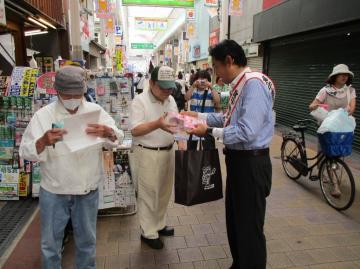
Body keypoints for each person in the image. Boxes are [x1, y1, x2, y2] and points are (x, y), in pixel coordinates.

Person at [19, 65, 124, 269]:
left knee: (87, 243)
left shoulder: (95, 111)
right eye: (68, 95)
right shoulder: (43, 116)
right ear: (58, 92)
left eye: (79, 94)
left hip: (87, 190)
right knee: (50, 245)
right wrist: (42, 141)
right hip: (54, 190)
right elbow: (25, 151)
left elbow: (117, 139)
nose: (74, 99)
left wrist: (108, 133)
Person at [183, 39, 274, 269]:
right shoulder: (240, 85)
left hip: (251, 165)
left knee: (249, 227)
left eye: (216, 67)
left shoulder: (253, 85)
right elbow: (228, 119)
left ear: (229, 61)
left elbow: (247, 131)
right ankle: (240, 263)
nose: (216, 74)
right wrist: (198, 117)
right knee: (236, 222)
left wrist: (210, 131)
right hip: (238, 163)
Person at [130, 66, 186, 250]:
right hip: (147, 152)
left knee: (164, 191)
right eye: (163, 88)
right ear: (152, 83)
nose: (167, 92)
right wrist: (157, 124)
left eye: (170, 88)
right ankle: (148, 232)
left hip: (168, 151)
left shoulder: (170, 100)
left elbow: (178, 124)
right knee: (148, 194)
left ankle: (159, 224)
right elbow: (135, 130)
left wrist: (182, 144)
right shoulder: (139, 101)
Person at [309, 64, 356, 197]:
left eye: (346, 75)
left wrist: (343, 114)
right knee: (324, 150)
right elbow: (311, 105)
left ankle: (331, 173)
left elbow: (352, 108)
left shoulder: (350, 90)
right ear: (334, 77)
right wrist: (316, 106)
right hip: (326, 126)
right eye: (342, 74)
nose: (344, 77)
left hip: (341, 127)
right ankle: (332, 182)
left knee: (337, 153)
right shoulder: (325, 90)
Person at [185, 70, 220, 150]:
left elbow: (217, 101)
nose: (202, 83)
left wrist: (211, 87)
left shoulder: (211, 91)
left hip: (207, 123)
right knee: (191, 147)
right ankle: (191, 161)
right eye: (200, 80)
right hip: (193, 123)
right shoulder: (193, 90)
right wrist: (193, 86)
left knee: (209, 147)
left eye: (205, 80)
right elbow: (186, 98)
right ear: (196, 80)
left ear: (208, 81)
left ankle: (208, 162)